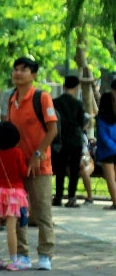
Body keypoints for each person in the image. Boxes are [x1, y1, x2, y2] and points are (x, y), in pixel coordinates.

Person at [6, 56, 58, 271]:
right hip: (17, 167)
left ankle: (45, 253)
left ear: (33, 74)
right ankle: (22, 253)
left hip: (40, 166)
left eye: (24, 70)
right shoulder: (11, 99)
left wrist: (38, 154)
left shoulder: (42, 97)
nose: (18, 73)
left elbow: (53, 129)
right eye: (16, 69)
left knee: (42, 211)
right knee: (18, 212)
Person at [0, 122, 29, 271]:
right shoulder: (17, 152)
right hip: (14, 193)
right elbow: (23, 171)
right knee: (11, 228)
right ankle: (14, 260)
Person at [52, 75, 87, 208]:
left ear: (64, 86)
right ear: (77, 87)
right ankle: (71, 197)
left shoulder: (55, 102)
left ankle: (58, 196)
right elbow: (82, 123)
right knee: (73, 170)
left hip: (60, 140)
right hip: (75, 140)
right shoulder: (78, 103)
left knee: (59, 169)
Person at [95, 84, 116, 209]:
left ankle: (115, 202)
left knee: (110, 179)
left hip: (107, 152)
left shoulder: (101, 118)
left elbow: (102, 135)